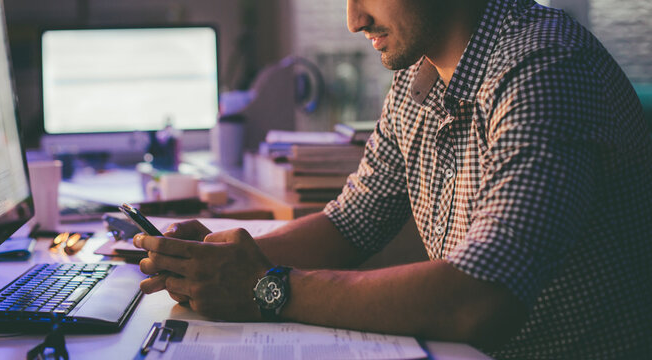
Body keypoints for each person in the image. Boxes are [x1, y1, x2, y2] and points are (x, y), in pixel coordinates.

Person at [133, 0, 652, 358]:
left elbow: (481, 297)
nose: (354, 20)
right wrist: (226, 259)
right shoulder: (416, 80)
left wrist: (266, 287)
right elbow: (349, 225)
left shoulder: (545, 65)